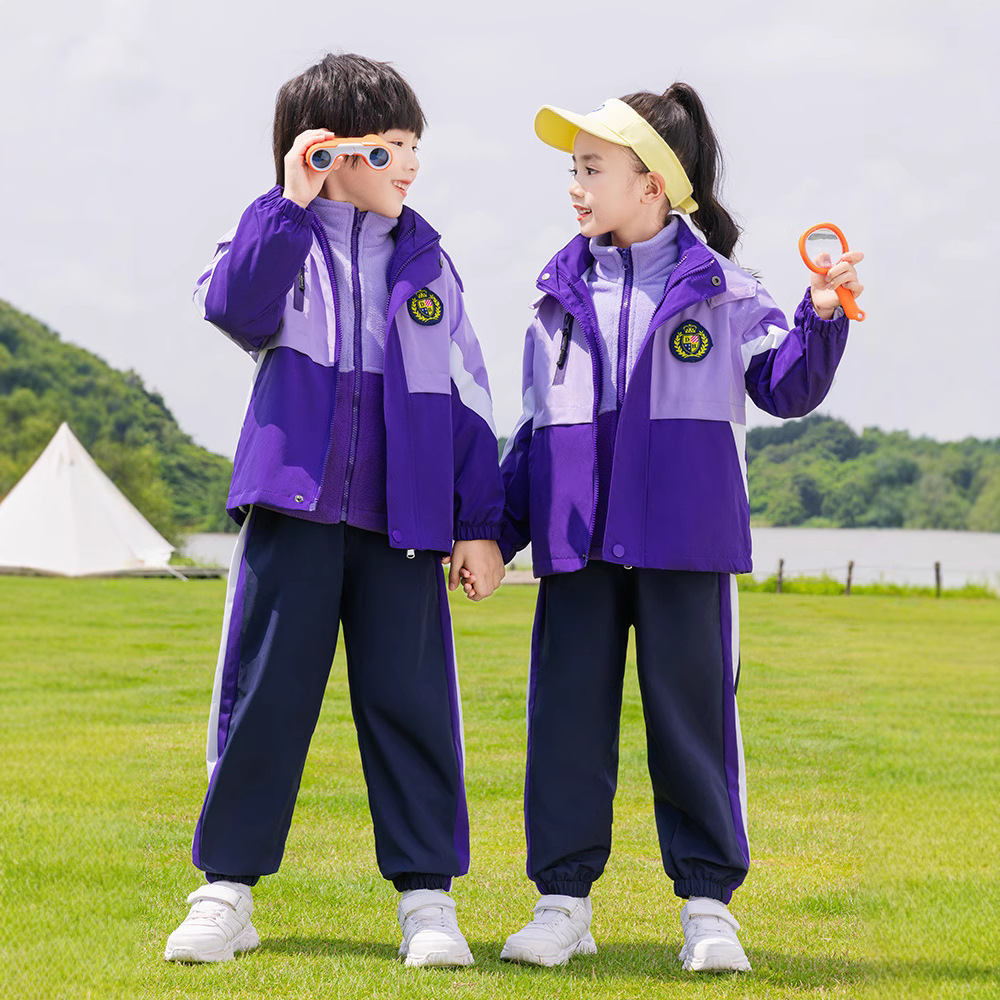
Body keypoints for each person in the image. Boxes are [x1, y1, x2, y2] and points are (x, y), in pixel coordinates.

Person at [496, 85, 864, 971]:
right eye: (573, 170)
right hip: (578, 550)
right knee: (567, 724)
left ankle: (707, 909)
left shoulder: (730, 293)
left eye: (591, 169)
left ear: (653, 184)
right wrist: (491, 532)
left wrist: (820, 316)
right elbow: (534, 431)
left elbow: (785, 387)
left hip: (687, 547)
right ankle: (562, 904)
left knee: (693, 724)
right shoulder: (555, 296)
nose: (575, 187)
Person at [164, 52, 506, 968]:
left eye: (413, 146)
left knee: (412, 705)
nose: (411, 165)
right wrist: (288, 199)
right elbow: (232, 307)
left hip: (405, 528)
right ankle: (226, 891)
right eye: (392, 147)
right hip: (293, 515)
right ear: (337, 152)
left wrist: (480, 521)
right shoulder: (276, 239)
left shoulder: (430, 266)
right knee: (264, 703)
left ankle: (428, 901)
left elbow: (467, 399)